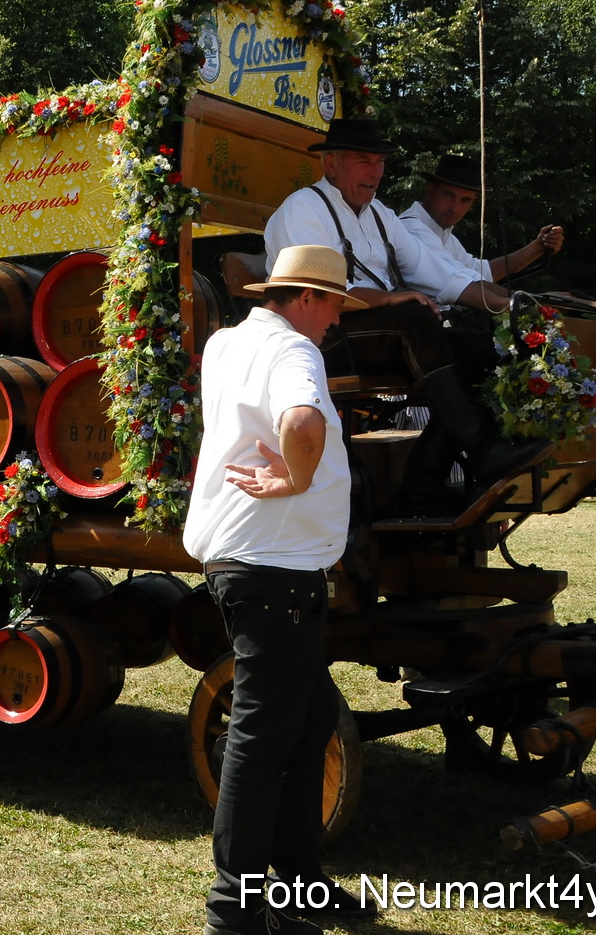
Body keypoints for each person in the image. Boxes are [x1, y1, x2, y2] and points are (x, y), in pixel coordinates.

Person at [187, 246, 375, 935]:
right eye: (332, 304)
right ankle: (233, 911)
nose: (335, 319)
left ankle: (299, 888)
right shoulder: (295, 350)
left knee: (311, 716)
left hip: (247, 563)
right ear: (304, 298)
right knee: (263, 736)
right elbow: (301, 422)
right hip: (274, 569)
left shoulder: (225, 343)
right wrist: (296, 480)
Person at [262, 116, 546, 497]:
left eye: (380, 162)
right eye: (364, 161)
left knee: (481, 349)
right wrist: (390, 298)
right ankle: (482, 450)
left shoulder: (381, 215)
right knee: (413, 316)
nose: (375, 172)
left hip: (381, 334)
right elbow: (320, 292)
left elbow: (440, 274)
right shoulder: (303, 209)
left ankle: (424, 478)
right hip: (322, 337)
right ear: (331, 164)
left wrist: (512, 305)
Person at [398, 155, 564, 304]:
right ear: (430, 190)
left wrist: (538, 248)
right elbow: (463, 282)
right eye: (448, 195)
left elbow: (482, 273)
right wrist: (537, 303)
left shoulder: (445, 236)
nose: (454, 208)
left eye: (465, 200)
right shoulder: (412, 228)